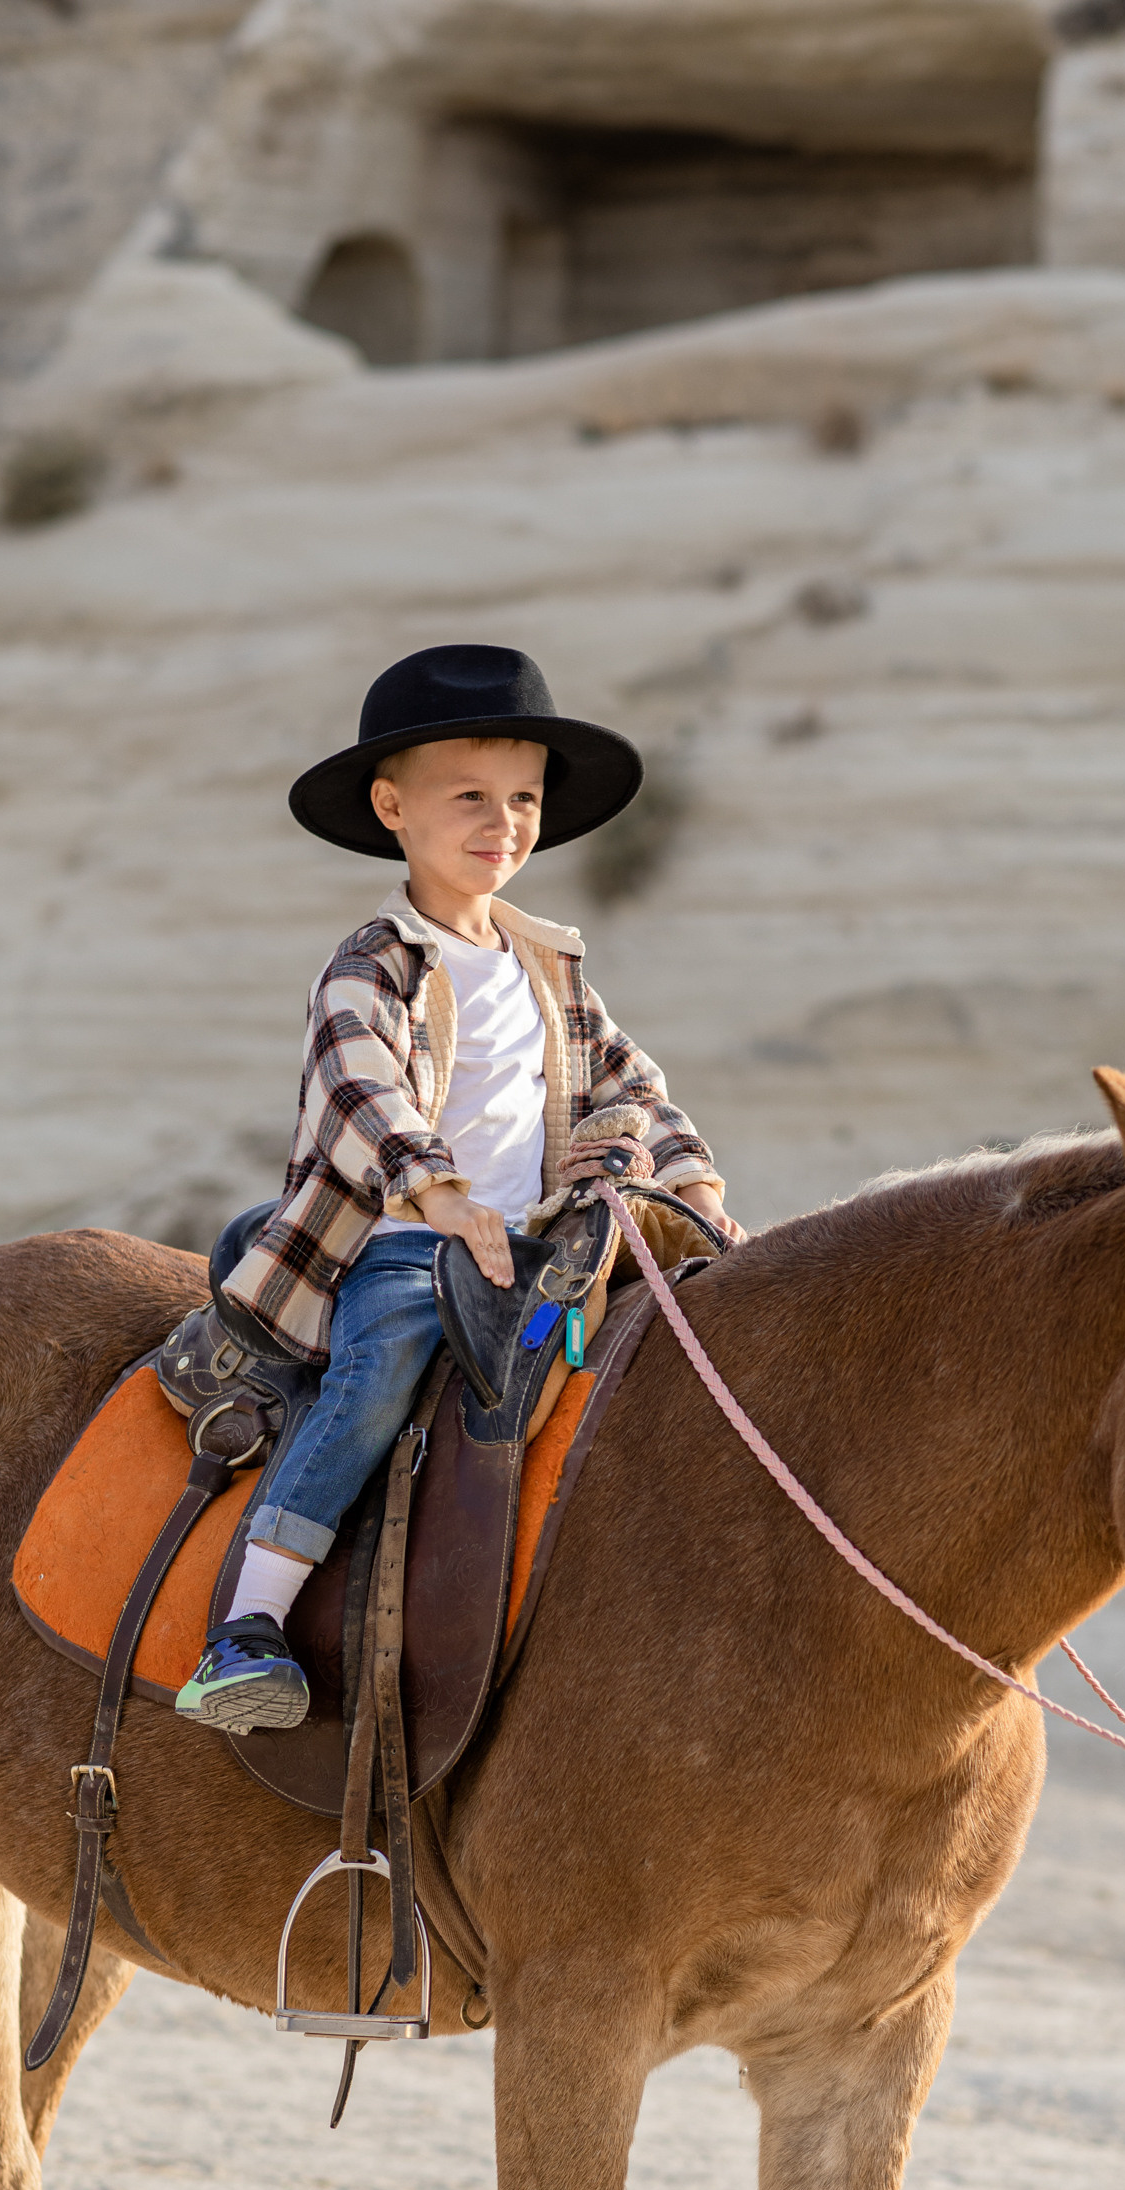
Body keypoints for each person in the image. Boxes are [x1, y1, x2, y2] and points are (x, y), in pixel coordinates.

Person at [174, 643, 730, 1732]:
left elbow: (634, 1084)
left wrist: (690, 1179)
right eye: (467, 796)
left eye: (521, 798)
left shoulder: (545, 967)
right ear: (392, 807)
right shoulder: (375, 963)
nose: (503, 822)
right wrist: (437, 1196)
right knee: (380, 1373)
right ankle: (248, 1624)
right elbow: (361, 1091)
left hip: (537, 1247)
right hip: (402, 1242)